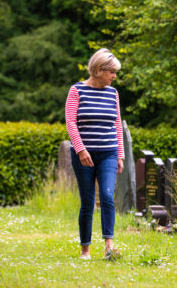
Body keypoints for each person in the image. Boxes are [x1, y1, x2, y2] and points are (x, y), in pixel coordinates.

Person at [65, 48, 124, 260]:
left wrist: (120, 154)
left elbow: (117, 123)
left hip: (108, 152)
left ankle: (109, 248)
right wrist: (81, 150)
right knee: (88, 201)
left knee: (107, 196)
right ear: (99, 70)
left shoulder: (113, 93)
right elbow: (71, 122)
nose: (114, 76)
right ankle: (85, 249)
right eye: (111, 72)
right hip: (84, 156)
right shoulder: (76, 91)